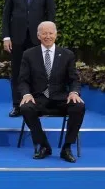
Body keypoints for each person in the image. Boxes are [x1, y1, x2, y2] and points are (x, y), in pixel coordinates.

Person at [18, 21, 84, 163]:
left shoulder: (67, 54)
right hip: (39, 98)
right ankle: (44, 145)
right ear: (38, 36)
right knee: (25, 107)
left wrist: (74, 92)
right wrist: (26, 94)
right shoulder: (29, 54)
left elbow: (74, 79)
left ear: (56, 35)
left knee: (78, 106)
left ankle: (66, 148)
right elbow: (23, 80)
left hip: (61, 98)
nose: (47, 36)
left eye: (50, 33)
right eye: (44, 33)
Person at [3, 0, 55, 117]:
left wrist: (49, 36)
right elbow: (6, 14)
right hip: (17, 38)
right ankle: (17, 105)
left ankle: (38, 106)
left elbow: (50, 13)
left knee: (39, 72)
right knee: (18, 72)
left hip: (38, 38)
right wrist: (6, 37)